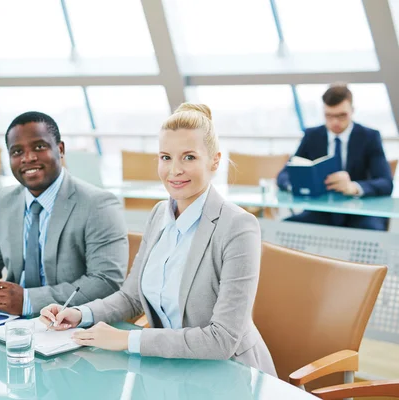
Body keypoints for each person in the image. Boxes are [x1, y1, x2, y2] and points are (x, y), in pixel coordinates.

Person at [40, 103, 277, 376]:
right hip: (172, 369)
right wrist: (81, 315)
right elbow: (131, 298)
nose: (174, 170)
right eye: (166, 157)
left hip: (231, 374)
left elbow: (222, 339)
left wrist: (127, 340)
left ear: (214, 160)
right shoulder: (158, 215)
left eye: (188, 157)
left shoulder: (238, 227)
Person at [0, 111, 128, 316]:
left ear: (60, 149)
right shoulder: (4, 201)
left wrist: (30, 301)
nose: (28, 158)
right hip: (9, 324)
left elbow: (106, 281)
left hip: (70, 325)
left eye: (39, 147)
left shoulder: (98, 204)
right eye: (17, 152)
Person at [277, 83, 393, 230]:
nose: (335, 122)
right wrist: (297, 184)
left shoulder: (369, 137)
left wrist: (354, 187)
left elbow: (386, 183)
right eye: (329, 116)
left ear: (352, 111)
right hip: (321, 211)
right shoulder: (312, 136)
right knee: (285, 228)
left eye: (342, 116)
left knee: (372, 232)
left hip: (360, 213)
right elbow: (283, 175)